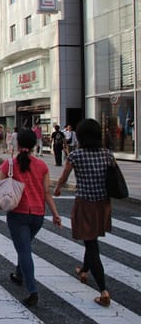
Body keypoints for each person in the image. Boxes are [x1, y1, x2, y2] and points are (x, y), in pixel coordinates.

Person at [0, 129, 61, 307]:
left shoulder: (9, 165)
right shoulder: (42, 166)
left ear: (17, 144)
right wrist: (55, 214)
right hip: (37, 215)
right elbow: (46, 193)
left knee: (24, 250)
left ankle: (32, 290)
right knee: (25, 247)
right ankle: (19, 274)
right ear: (34, 145)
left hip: (17, 214)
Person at [54, 119, 112, 307]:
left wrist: (58, 188)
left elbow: (64, 176)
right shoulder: (107, 154)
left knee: (92, 244)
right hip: (103, 204)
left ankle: (103, 290)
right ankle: (84, 271)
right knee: (91, 240)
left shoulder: (76, 155)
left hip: (85, 203)